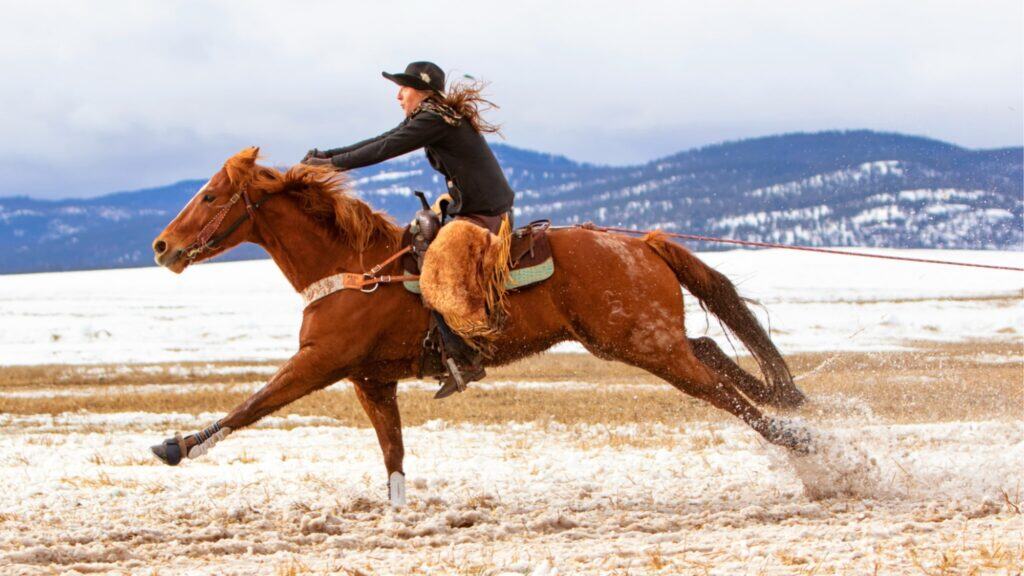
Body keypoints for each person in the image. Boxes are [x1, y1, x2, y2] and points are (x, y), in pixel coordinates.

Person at [302, 61, 515, 398]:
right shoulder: (435, 116)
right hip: (473, 208)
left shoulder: (435, 118)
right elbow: (385, 138)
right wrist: (327, 156)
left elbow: (386, 148)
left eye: (404, 88)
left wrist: (331, 165)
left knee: (438, 268)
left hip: (484, 215)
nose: (399, 96)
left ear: (423, 90)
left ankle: (468, 351)